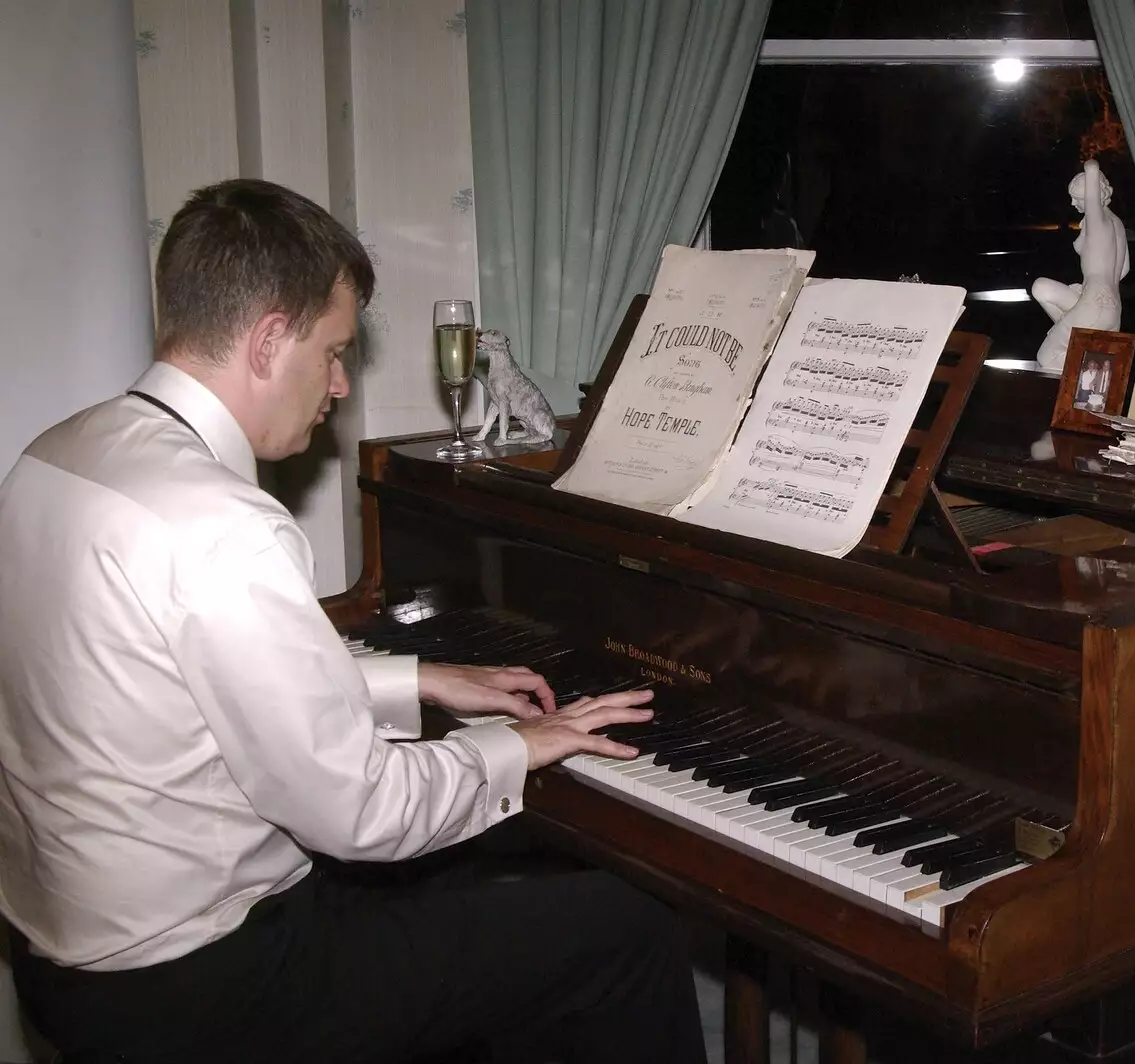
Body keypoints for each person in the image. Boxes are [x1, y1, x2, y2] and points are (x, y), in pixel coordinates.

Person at [0, 178, 708, 1064]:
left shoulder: (57, 456)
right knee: (623, 926)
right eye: (333, 351)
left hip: (68, 964)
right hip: (206, 983)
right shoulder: (221, 524)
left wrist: (417, 680)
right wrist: (524, 746)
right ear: (266, 341)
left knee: (485, 889)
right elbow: (362, 814)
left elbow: (180, 683)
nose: (340, 383)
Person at [1031, 157, 1131, 373]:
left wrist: (1091, 162)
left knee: (1045, 357)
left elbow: (1092, 172)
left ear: (1093, 194)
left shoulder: (1098, 221)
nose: (1073, 204)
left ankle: (1089, 372)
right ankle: (1075, 336)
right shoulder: (1118, 225)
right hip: (1109, 306)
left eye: (1078, 198)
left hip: (1094, 305)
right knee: (1040, 287)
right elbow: (1124, 270)